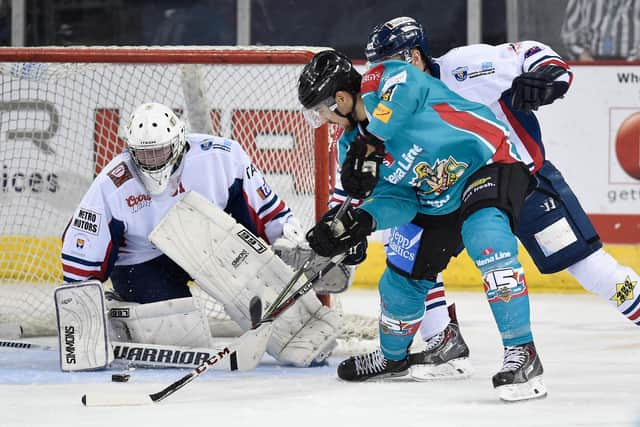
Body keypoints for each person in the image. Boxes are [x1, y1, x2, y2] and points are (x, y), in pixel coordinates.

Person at [364, 16, 640, 346]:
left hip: (523, 183)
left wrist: (548, 75)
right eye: (378, 66)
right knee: (410, 254)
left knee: (589, 267)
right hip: (455, 199)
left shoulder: (464, 68)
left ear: (415, 56)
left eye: (390, 63)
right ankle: (442, 342)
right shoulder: (388, 107)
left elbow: (529, 53)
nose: (384, 75)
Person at [298, 50, 544, 402]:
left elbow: (407, 94)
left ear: (339, 99)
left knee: (486, 239)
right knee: (401, 278)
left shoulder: (383, 78)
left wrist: (371, 142)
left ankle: (523, 353)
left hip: (487, 163)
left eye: (321, 112)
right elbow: (399, 200)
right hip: (436, 200)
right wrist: (363, 219)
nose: (323, 120)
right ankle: (392, 358)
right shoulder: (350, 149)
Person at [60, 102, 341, 368]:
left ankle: (302, 329)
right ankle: (123, 306)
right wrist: (82, 315)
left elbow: (264, 210)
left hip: (211, 244)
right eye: (144, 154)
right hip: (142, 261)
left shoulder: (221, 156)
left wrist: (287, 246)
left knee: (268, 296)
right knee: (181, 342)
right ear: (130, 151)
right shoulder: (112, 183)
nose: (152, 161)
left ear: (180, 141)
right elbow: (81, 255)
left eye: (160, 151)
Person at [561, 0, 640, 61]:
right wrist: (581, 54)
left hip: (634, 65)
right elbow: (570, 32)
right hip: (591, 62)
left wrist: (633, 60)